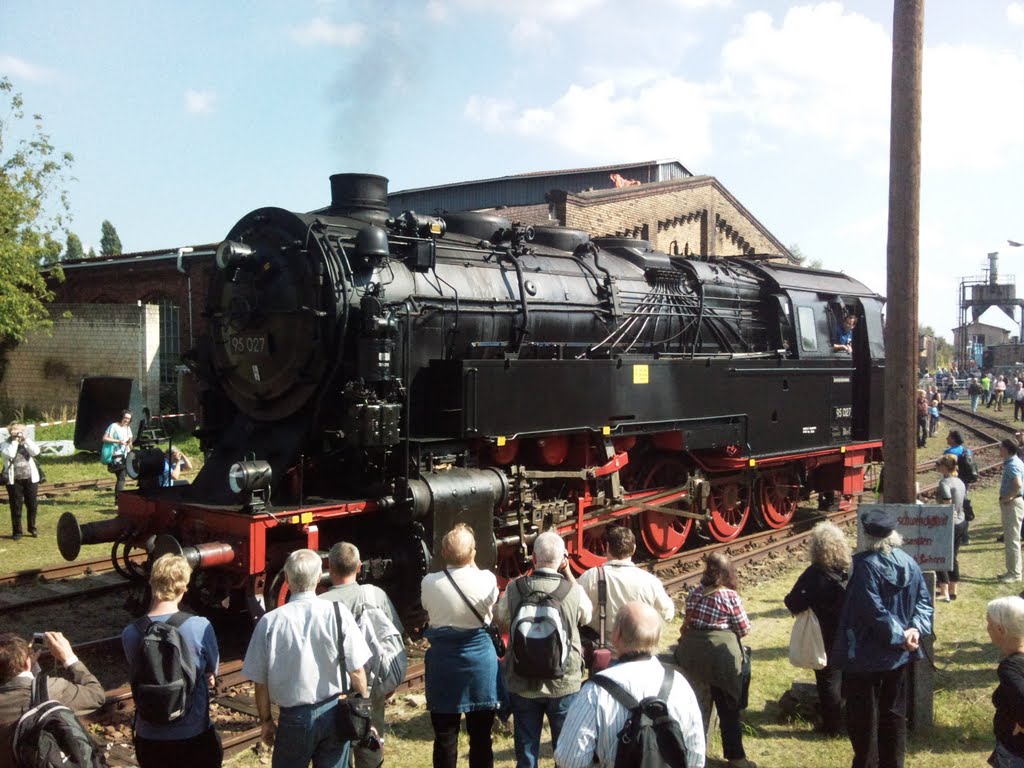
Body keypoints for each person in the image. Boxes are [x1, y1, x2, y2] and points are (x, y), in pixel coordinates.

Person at [243, 549, 371, 768]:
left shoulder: (270, 622)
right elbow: (357, 670)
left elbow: (260, 681)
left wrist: (266, 721)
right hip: (334, 711)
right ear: (320, 575)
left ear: (287, 578)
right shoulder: (338, 612)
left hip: (294, 718)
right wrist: (363, 710)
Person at [833, 507, 933, 768]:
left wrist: (901, 635)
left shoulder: (864, 566)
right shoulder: (909, 563)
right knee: (894, 714)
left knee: (863, 719)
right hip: (898, 657)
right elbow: (924, 603)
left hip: (864, 656)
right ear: (893, 534)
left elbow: (873, 610)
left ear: (866, 536)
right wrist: (914, 630)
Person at [554, 602, 706, 768]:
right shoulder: (680, 685)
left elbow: (570, 760)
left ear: (616, 635)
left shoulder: (595, 691)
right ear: (658, 636)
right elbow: (696, 754)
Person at [495, 531, 593, 768]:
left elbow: (502, 620)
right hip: (563, 681)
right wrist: (568, 572)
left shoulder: (514, 589)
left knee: (527, 749)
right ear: (561, 560)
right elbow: (587, 617)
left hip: (522, 679)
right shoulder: (573, 591)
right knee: (564, 749)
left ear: (534, 559)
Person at [122, 553, 222, 767]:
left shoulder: (131, 632)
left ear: (151, 583)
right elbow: (212, 671)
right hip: (193, 733)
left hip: (149, 737)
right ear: (184, 587)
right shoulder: (200, 626)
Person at [420, 524, 501, 768]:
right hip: (479, 664)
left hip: (443, 664)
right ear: (473, 553)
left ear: (443, 553)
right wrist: (471, 558)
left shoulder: (429, 582)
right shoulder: (486, 579)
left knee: (445, 736)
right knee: (481, 736)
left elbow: (425, 606)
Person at [320, 541, 405, 768]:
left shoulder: (319, 605)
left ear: (329, 567)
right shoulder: (375, 594)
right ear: (359, 567)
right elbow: (394, 638)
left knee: (337, 748)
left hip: (333, 691)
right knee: (369, 741)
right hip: (370, 684)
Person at [674, 553, 756, 768]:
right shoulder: (729, 596)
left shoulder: (694, 592)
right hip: (718, 659)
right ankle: (736, 758)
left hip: (691, 655)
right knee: (729, 704)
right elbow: (744, 629)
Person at [783, 521, 851, 736]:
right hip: (849, 631)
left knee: (828, 680)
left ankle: (832, 727)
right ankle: (850, 719)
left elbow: (793, 601)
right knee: (848, 677)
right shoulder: (850, 570)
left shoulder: (814, 574)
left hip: (823, 634)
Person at [0, 631, 105, 768]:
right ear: (27, 663)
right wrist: (69, 658)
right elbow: (96, 695)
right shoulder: (53, 689)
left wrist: (31, 671)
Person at [577, 526, 674, 650]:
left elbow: (577, 610)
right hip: (637, 650)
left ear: (607, 547)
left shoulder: (590, 576)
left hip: (600, 650)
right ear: (633, 549)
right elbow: (668, 614)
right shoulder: (650, 581)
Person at [986, 596, 1024, 768]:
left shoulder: (1011, 668)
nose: (987, 629)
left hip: (1016, 754)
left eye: (989, 624)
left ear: (1000, 629)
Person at [933, 455, 966, 602]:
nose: (938, 468)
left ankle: (944, 591)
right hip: (961, 521)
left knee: (940, 556)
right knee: (954, 556)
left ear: (945, 467)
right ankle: (954, 589)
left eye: (939, 466)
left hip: (948, 523)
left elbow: (947, 502)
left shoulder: (944, 482)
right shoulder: (960, 482)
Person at [1, 423, 42, 540]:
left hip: (31, 478)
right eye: (15, 431)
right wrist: (14, 440)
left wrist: (25, 439)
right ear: (10, 432)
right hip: (13, 480)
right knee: (16, 506)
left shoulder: (27, 443)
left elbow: (36, 452)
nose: (18, 433)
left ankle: (32, 527)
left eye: (20, 431)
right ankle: (17, 531)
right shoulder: (5, 444)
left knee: (32, 505)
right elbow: (10, 454)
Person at [998, 438, 1024, 584]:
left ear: (1007, 449)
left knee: (1012, 539)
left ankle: (1014, 573)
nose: (999, 450)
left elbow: (1018, 484)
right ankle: (1011, 571)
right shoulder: (1015, 461)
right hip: (1014, 503)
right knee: (1010, 538)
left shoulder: (1012, 465)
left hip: (1013, 504)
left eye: (1001, 447)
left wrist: (1009, 497)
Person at [104, 409, 134, 497]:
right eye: (125, 418)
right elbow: (105, 438)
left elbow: (130, 442)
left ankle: (118, 499)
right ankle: (118, 500)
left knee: (121, 478)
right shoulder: (113, 426)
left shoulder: (128, 428)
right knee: (121, 478)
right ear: (121, 417)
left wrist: (130, 444)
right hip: (116, 455)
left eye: (128, 419)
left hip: (125, 455)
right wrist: (118, 441)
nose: (126, 420)